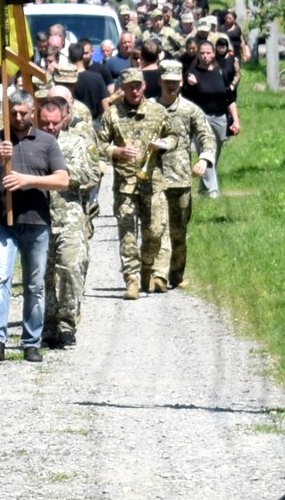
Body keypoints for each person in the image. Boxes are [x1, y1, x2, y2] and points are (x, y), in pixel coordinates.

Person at [0, 86, 68, 363]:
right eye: (14, 113)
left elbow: (62, 180)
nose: (18, 118)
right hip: (3, 223)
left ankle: (31, 342)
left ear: (32, 113)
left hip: (36, 223)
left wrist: (28, 180)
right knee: (0, 279)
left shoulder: (46, 142)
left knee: (34, 285)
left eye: (23, 113)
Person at [96, 68, 173, 299]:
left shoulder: (157, 111)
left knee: (155, 232)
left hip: (153, 183)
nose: (135, 90)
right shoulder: (112, 114)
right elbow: (99, 145)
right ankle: (132, 279)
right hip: (125, 186)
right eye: (130, 86)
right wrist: (118, 151)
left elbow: (173, 136)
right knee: (127, 234)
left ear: (144, 86)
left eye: (138, 85)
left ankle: (147, 266)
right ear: (122, 88)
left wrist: (163, 145)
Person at [38, 92, 101, 349]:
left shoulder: (76, 143)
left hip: (70, 217)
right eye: (45, 123)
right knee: (44, 275)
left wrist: (58, 173)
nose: (50, 127)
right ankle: (48, 325)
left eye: (55, 123)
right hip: (39, 218)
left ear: (64, 118)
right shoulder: (30, 142)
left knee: (70, 268)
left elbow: (91, 175)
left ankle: (67, 324)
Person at [153, 60, 216, 290]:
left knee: (178, 231)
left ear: (181, 82)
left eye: (175, 82)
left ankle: (176, 275)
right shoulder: (150, 109)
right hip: (154, 179)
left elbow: (206, 136)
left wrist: (204, 159)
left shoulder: (189, 110)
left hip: (180, 179)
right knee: (156, 229)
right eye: (167, 82)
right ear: (160, 81)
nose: (171, 86)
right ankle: (157, 275)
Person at [184, 39, 240, 198]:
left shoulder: (220, 72)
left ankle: (203, 189)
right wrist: (192, 85)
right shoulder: (191, 74)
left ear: (213, 53)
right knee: (205, 153)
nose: (205, 56)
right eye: (202, 53)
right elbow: (185, 98)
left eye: (208, 53)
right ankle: (213, 191)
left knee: (213, 156)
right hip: (201, 119)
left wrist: (235, 120)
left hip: (220, 118)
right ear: (198, 55)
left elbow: (229, 98)